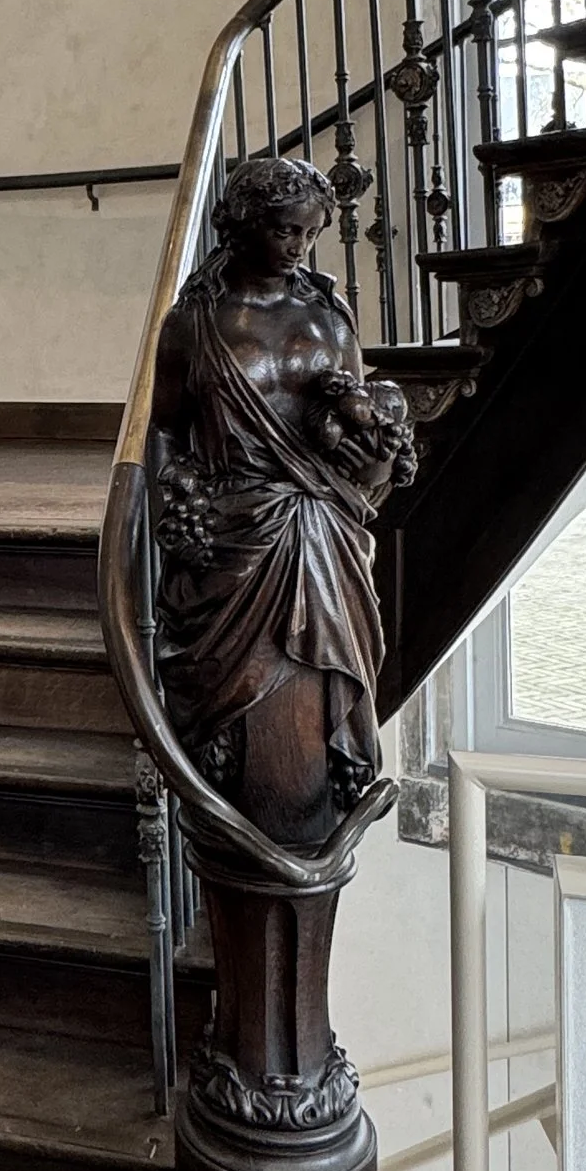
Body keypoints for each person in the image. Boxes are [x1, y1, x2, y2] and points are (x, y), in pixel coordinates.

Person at [149, 152, 415, 851]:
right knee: (239, 742)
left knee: (318, 716)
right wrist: (177, 500)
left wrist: (377, 466)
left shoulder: (328, 312)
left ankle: (310, 828)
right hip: (235, 547)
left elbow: (366, 435)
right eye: (285, 231)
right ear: (242, 225)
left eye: (308, 233)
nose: (299, 248)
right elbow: (167, 433)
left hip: (326, 536)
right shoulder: (194, 323)